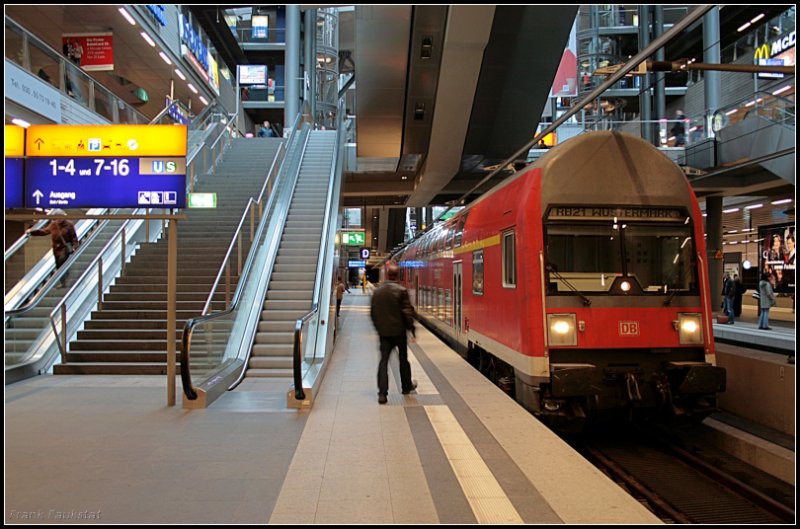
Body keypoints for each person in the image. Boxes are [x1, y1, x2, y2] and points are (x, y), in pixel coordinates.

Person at [370, 264, 417, 404]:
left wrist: (379, 328)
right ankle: (406, 387)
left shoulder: (378, 292)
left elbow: (373, 313)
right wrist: (411, 329)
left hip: (384, 333)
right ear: (397, 276)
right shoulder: (401, 290)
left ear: (387, 275)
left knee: (383, 361)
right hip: (399, 332)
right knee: (403, 360)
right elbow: (407, 312)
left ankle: (382, 394)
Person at [26, 209, 80, 288]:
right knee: (58, 265)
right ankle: (63, 282)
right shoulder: (53, 225)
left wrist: (75, 246)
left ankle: (66, 277)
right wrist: (31, 232)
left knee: (62, 262)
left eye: (60, 218)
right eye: (56, 218)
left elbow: (73, 237)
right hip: (56, 249)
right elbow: (44, 231)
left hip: (65, 248)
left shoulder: (69, 224)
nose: (58, 220)